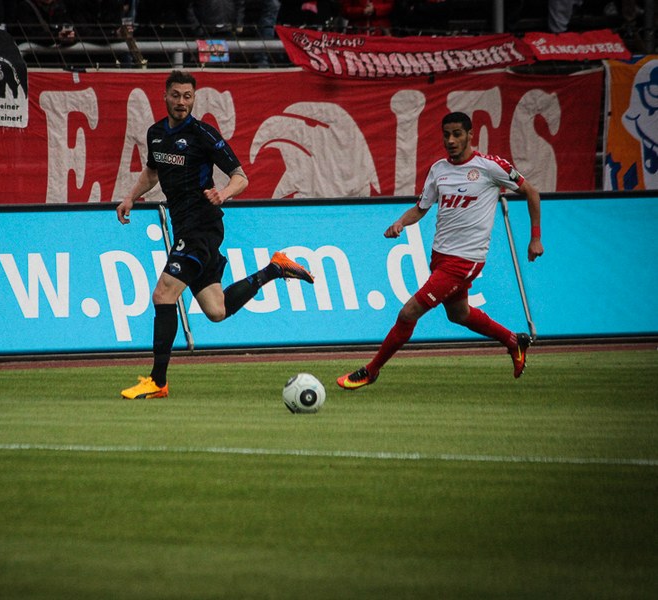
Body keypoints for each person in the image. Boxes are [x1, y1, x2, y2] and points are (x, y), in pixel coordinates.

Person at [115, 70, 315, 400]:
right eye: (176, 95)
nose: (182, 102)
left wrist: (223, 193)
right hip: (185, 226)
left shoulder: (203, 134)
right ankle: (274, 269)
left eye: (188, 96)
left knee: (163, 295)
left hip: (201, 227)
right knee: (216, 310)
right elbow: (152, 172)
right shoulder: (155, 134)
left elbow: (241, 177)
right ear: (165, 96)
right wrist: (130, 198)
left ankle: (157, 381)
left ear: (194, 99)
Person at [337, 111, 543, 390]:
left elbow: (532, 192)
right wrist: (400, 223)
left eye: (457, 134)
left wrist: (535, 238)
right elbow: (421, 208)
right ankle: (513, 341)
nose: (451, 140)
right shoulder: (439, 170)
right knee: (458, 314)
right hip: (440, 257)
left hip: (465, 260)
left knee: (408, 313)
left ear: (470, 135)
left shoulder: (490, 167)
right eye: (446, 135)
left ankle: (371, 370)